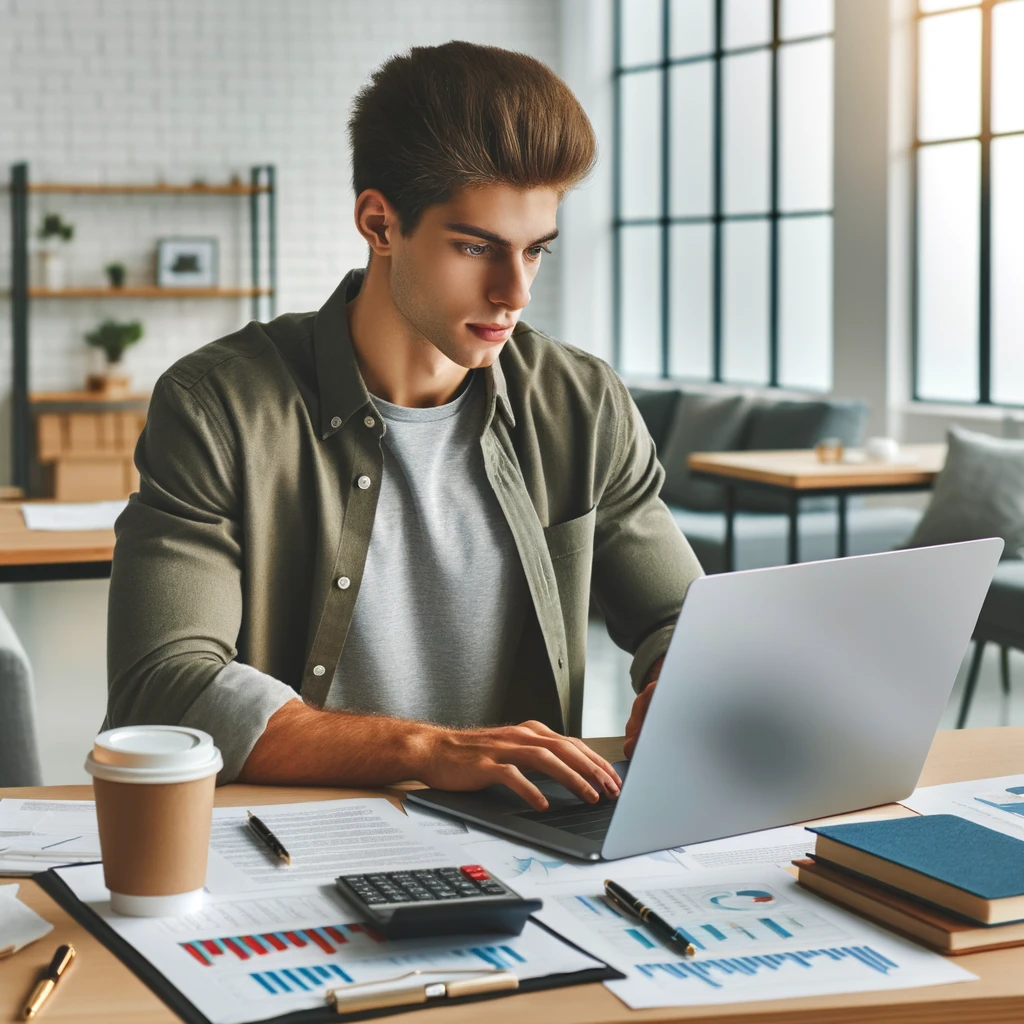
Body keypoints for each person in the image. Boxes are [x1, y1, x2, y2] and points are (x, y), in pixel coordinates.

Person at [105, 41, 703, 811]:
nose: (513, 292)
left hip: (527, 840)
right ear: (380, 223)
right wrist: (426, 749)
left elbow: (678, 616)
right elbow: (164, 688)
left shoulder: (581, 401)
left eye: (535, 251)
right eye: (475, 247)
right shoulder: (218, 405)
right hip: (291, 843)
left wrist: (676, 681)